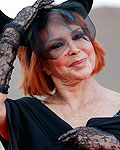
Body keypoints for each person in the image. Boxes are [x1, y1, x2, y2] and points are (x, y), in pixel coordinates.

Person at [0, 0, 120, 149]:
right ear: (43, 65)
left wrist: (114, 145)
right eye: (57, 45)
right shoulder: (24, 116)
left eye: (78, 36)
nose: (74, 49)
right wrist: (12, 34)